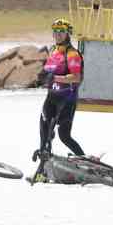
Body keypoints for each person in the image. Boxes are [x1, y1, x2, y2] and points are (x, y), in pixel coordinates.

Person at [37, 19, 86, 159]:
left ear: (67, 33)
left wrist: (56, 79)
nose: (58, 35)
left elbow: (76, 77)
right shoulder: (53, 50)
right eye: (56, 32)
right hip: (51, 97)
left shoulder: (72, 54)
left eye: (61, 32)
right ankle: (43, 169)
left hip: (67, 99)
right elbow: (49, 72)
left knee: (64, 136)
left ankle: (84, 160)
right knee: (44, 131)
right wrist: (42, 77)